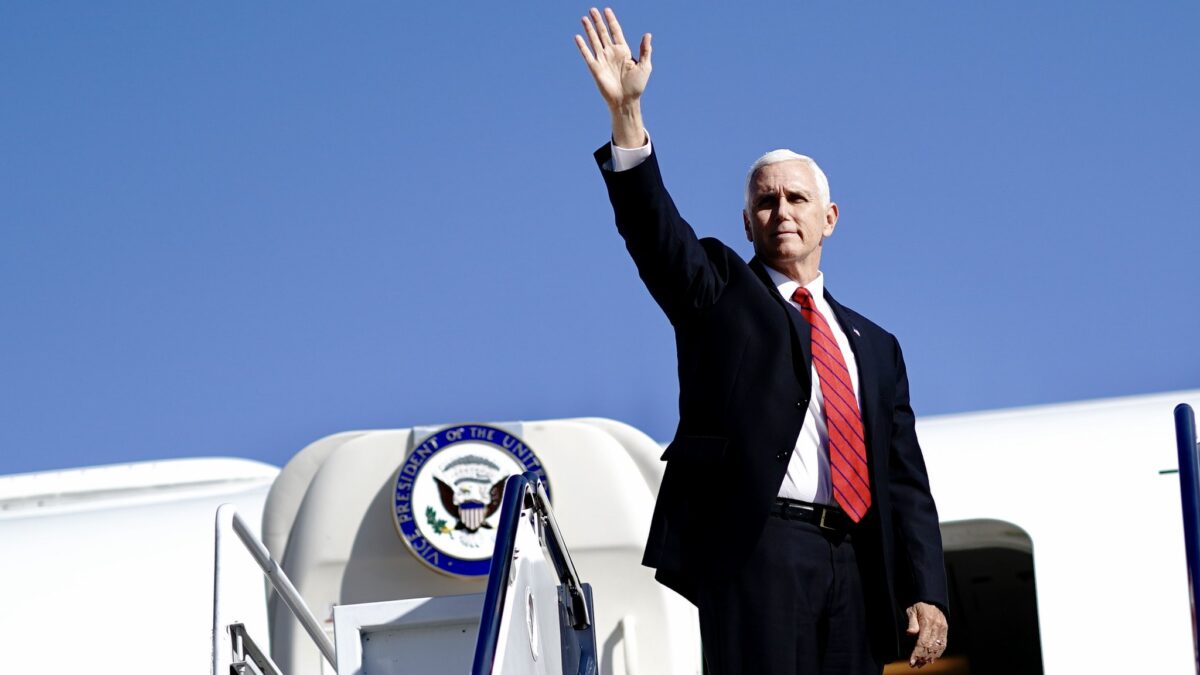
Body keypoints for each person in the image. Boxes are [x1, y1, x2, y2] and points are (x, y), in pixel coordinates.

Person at [574, 8, 950, 674]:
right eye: (767, 202)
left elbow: (903, 481)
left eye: (797, 199)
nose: (783, 213)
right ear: (746, 222)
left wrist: (926, 588)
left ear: (828, 218)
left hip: (857, 562)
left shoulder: (876, 344)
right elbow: (654, 232)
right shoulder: (719, 291)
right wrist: (627, 118)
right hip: (759, 547)